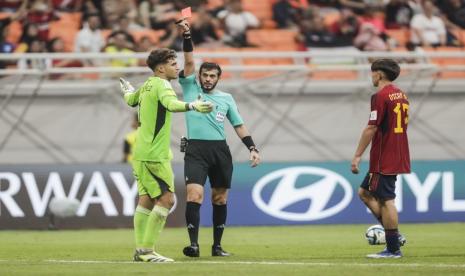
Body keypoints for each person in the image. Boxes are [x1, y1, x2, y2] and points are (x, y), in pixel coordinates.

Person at [176, 19, 261, 258]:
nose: (208, 79)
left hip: (219, 151)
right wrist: (187, 35)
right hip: (196, 150)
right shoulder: (191, 88)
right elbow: (190, 60)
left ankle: (217, 246)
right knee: (194, 194)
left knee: (220, 198)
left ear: (218, 78)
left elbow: (239, 126)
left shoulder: (227, 98)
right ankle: (193, 245)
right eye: (205, 75)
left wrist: (252, 148)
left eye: (213, 76)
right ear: (199, 76)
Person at [120, 48, 214, 262]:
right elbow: (171, 104)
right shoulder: (163, 85)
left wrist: (127, 90)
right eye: (172, 63)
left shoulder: (146, 85)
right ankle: (147, 251)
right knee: (166, 199)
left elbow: (131, 101)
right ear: (161, 68)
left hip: (141, 152)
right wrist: (193, 105)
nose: (177, 66)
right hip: (155, 155)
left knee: (145, 200)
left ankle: (140, 250)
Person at [351, 58, 410, 259]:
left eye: (372, 72)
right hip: (398, 152)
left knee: (386, 200)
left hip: (384, 155)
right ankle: (394, 236)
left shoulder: (380, 96)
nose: (371, 76)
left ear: (379, 74)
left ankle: (393, 248)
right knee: (365, 192)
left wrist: (357, 155)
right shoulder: (401, 95)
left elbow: (371, 127)